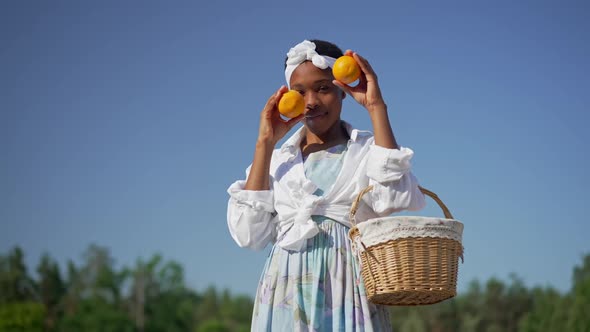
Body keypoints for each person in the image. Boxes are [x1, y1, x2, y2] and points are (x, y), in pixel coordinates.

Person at [226, 39, 426, 331]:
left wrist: (376, 106)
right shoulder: (277, 162)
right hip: (285, 297)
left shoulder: (369, 150)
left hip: (350, 293)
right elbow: (249, 234)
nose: (311, 102)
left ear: (342, 90)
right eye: (300, 92)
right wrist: (265, 143)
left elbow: (394, 198)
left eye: (323, 88)